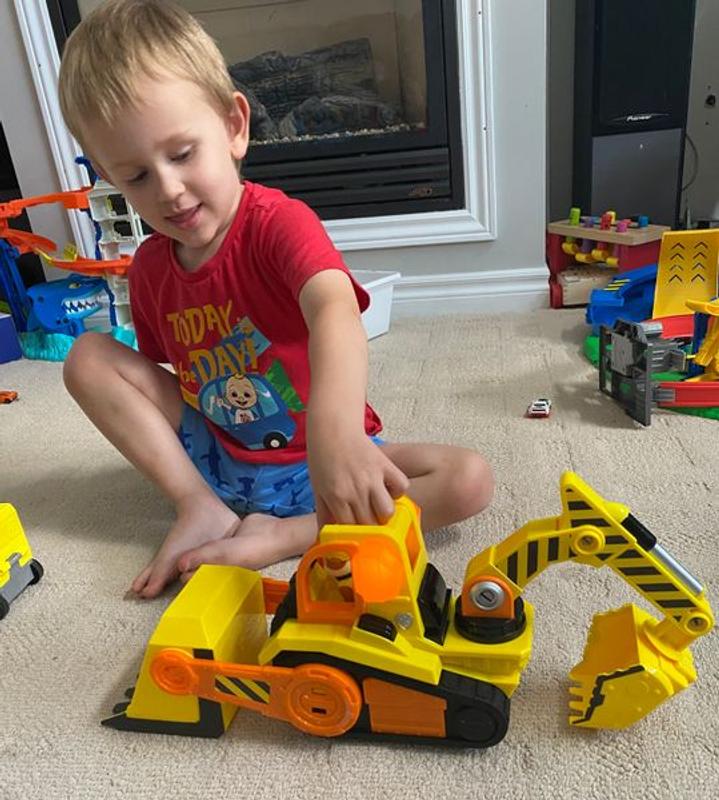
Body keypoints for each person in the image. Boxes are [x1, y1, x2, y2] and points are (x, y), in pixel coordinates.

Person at [57, 0, 494, 599]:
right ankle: (198, 507)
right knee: (87, 355)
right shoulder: (151, 267)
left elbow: (334, 307)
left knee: (468, 479)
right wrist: (193, 472)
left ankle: (289, 536)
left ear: (235, 127)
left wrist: (334, 435)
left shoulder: (278, 223)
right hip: (218, 452)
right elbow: (167, 378)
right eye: (135, 177)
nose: (169, 190)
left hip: (317, 462)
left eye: (182, 154)